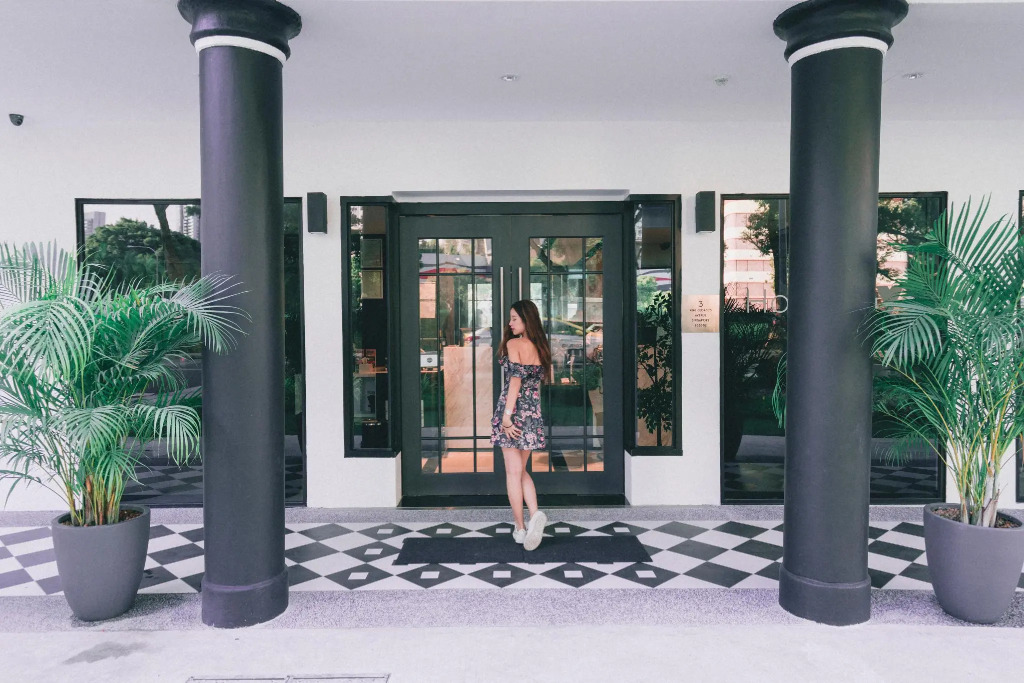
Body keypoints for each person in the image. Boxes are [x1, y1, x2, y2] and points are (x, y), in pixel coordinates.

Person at [491, 299, 551, 551]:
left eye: (514, 318)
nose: (510, 323)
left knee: (513, 473)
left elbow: (515, 381)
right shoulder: (540, 347)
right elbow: (536, 383)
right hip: (532, 414)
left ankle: (520, 528)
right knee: (521, 471)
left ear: (527, 319)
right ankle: (535, 514)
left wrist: (506, 416)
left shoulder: (514, 344)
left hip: (514, 412)